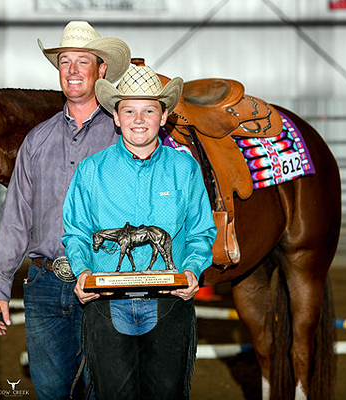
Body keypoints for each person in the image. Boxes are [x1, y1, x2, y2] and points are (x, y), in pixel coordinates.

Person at [0, 21, 131, 400]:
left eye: (83, 61)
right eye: (65, 61)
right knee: (51, 393)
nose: (72, 70)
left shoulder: (121, 136)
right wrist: (0, 286)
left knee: (106, 391)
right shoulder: (38, 140)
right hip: (45, 286)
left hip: (104, 282)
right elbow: (16, 217)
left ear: (101, 70)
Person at [62, 65, 217, 399]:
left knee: (167, 394)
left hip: (169, 301)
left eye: (149, 110)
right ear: (116, 117)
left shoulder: (184, 169)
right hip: (106, 303)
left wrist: (192, 268)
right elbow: (76, 231)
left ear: (163, 117)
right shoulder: (91, 170)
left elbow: (201, 230)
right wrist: (83, 270)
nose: (138, 119)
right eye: (129, 110)